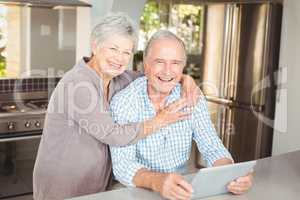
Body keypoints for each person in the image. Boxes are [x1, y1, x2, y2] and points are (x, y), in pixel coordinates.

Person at [33, 13, 200, 200]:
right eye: (113, 48)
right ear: (95, 45)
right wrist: (160, 120)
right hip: (63, 184)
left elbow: (155, 75)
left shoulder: (119, 78)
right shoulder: (77, 84)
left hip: (96, 184)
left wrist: (185, 78)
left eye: (126, 52)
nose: (119, 58)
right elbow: (113, 134)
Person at [110, 30, 253, 200]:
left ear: (183, 67)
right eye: (159, 62)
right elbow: (123, 165)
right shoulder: (124, 102)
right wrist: (159, 182)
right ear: (145, 66)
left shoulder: (191, 97)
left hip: (181, 189)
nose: (168, 71)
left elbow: (211, 146)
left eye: (175, 63)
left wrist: (230, 174)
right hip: (136, 190)